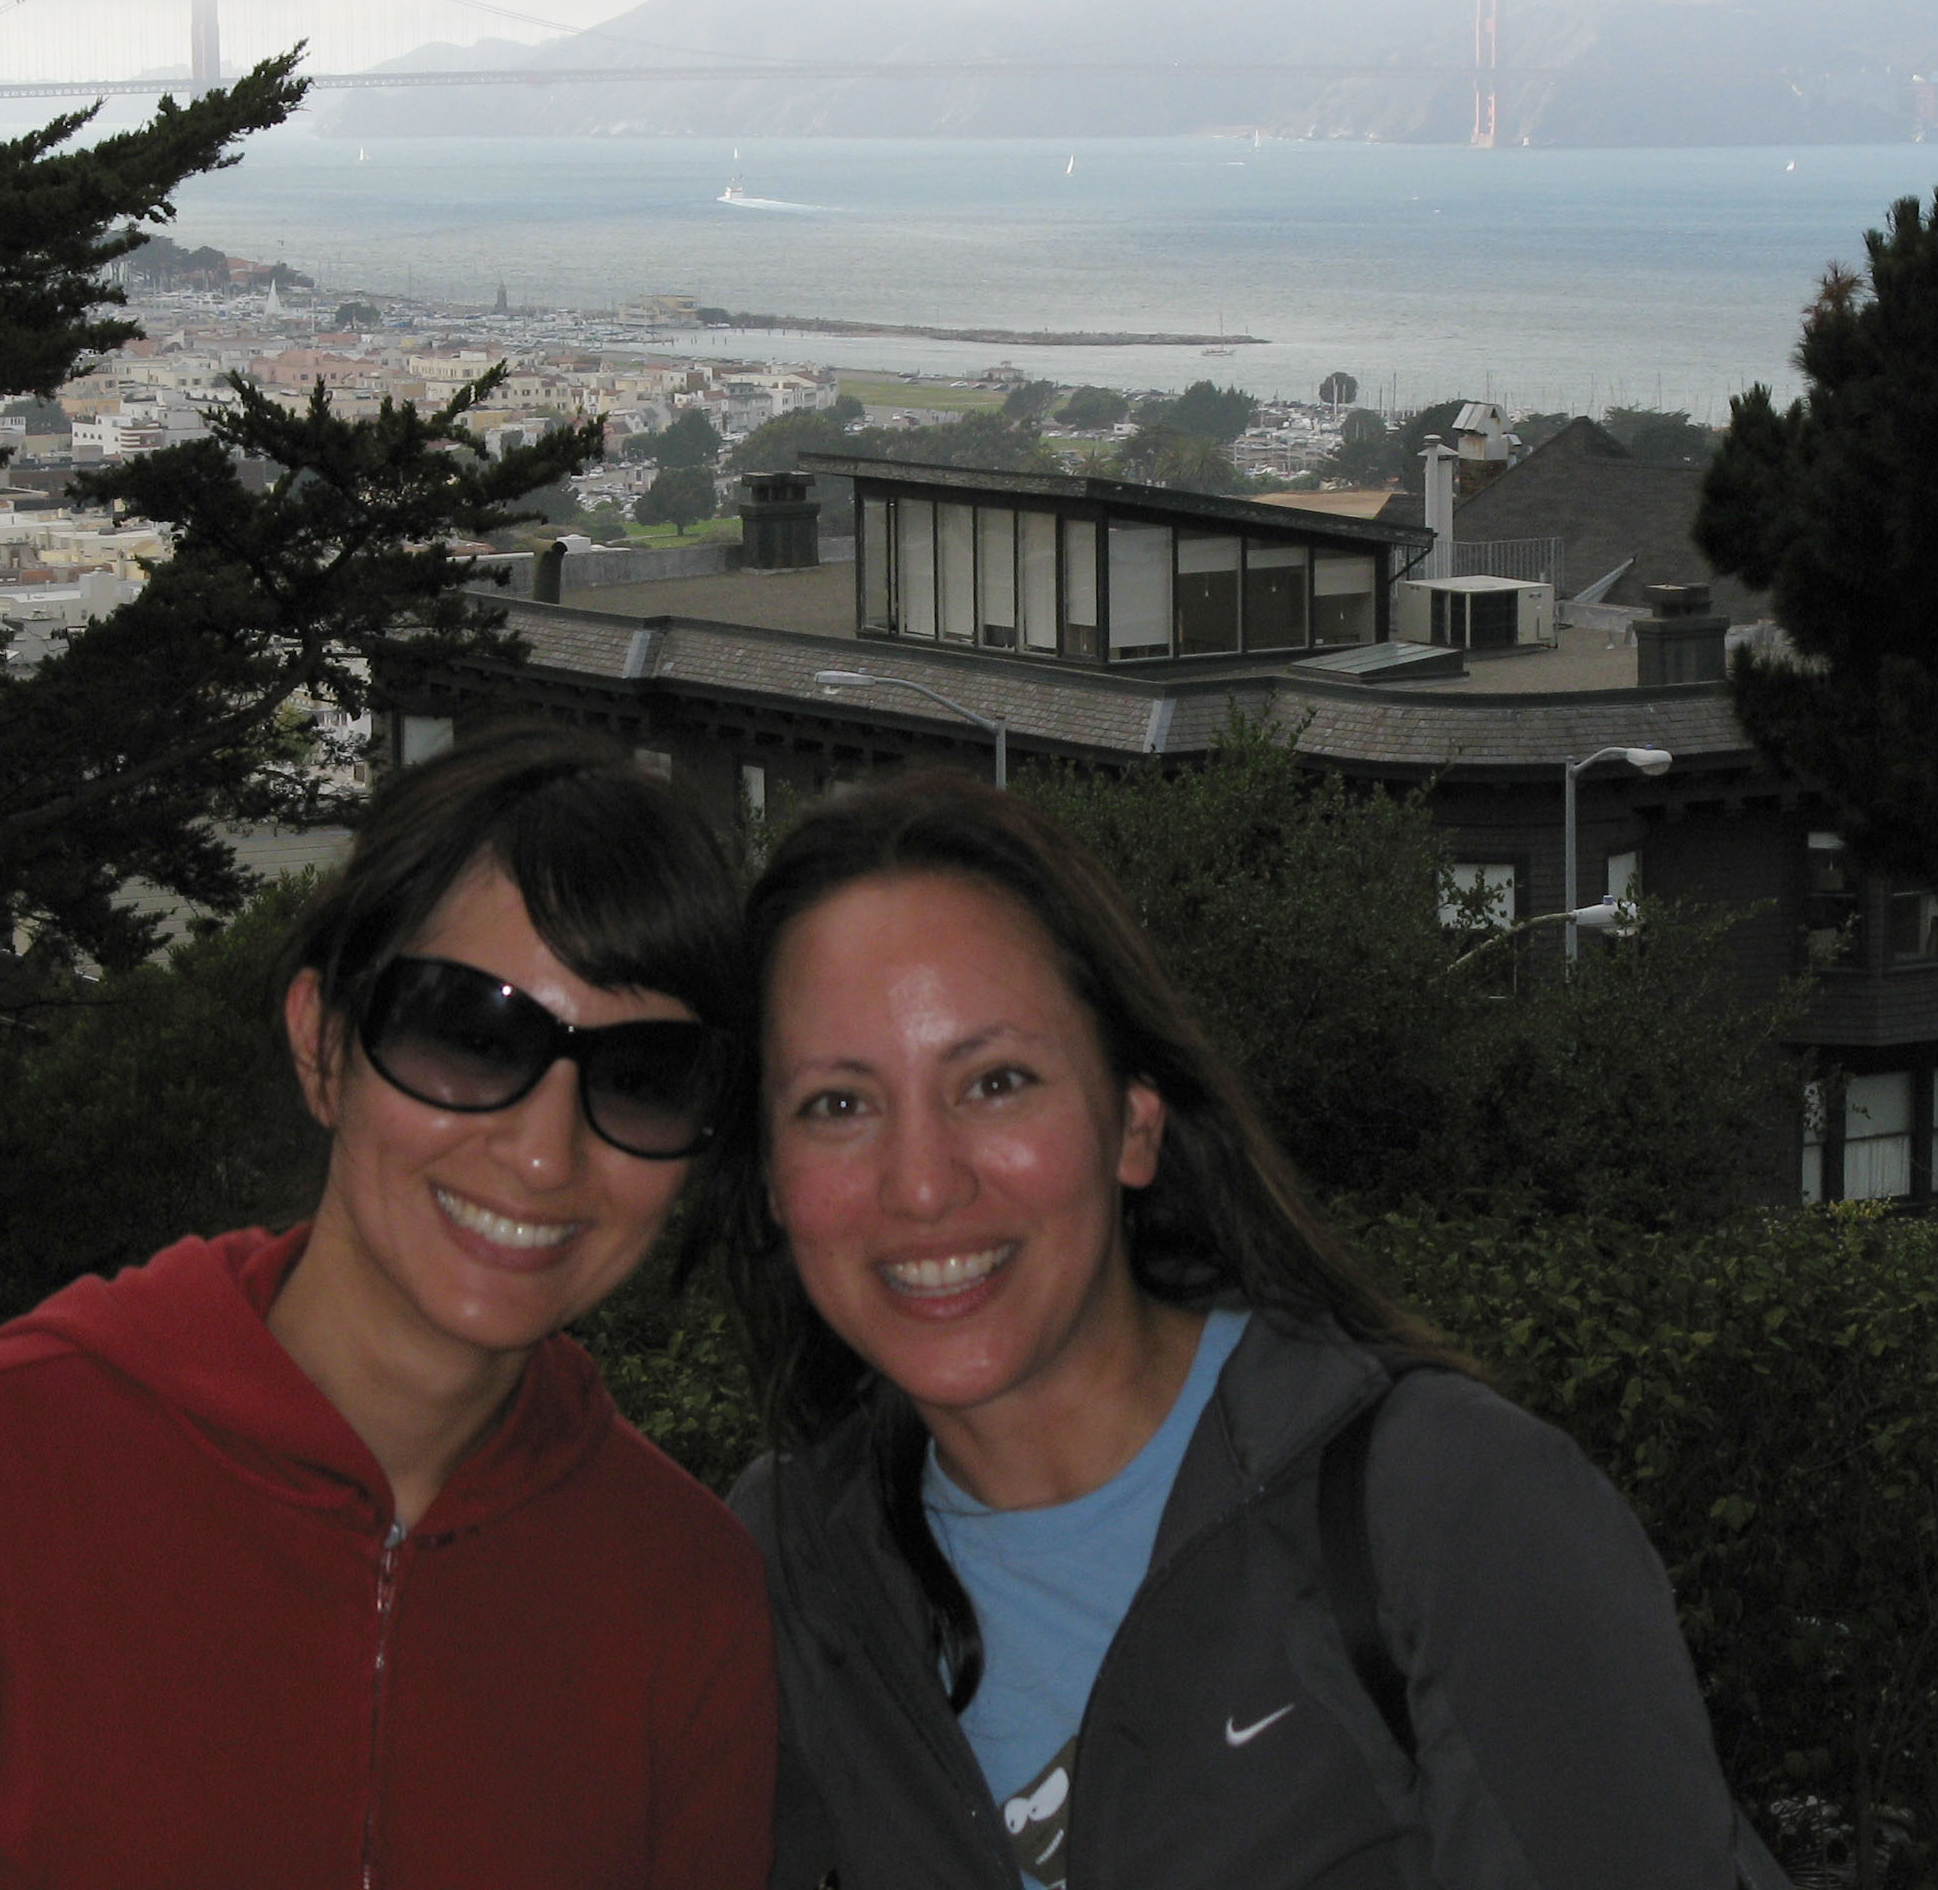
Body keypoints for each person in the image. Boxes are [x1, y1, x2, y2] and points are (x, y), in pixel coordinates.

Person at [703, 773, 1760, 1890]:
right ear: (769, 1177)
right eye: (837, 1104)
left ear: (1134, 1125)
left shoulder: (1451, 1507)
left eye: (996, 1081)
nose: (921, 1184)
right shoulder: (783, 1575)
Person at [0, 726, 775, 1890]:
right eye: (468, 1035)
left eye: (644, 1077)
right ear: (321, 1044)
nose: (546, 1154)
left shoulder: (684, 1590)